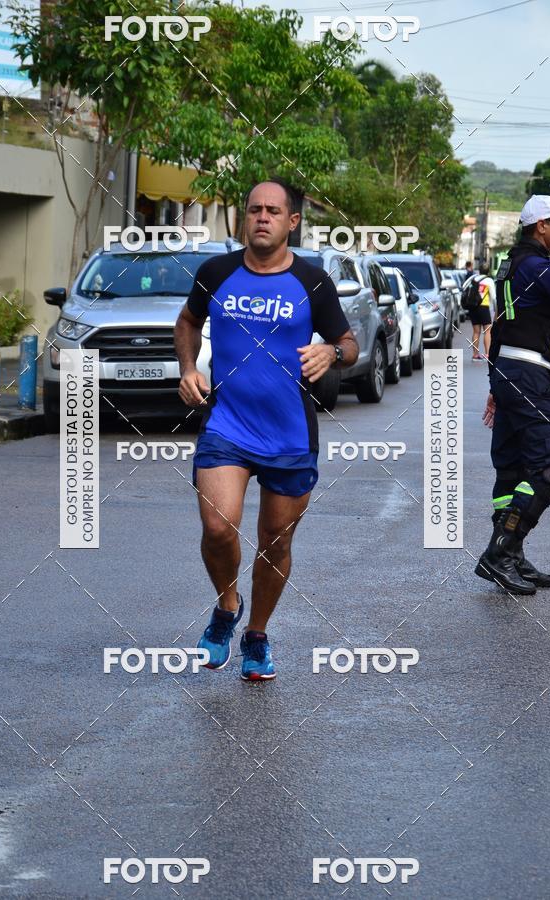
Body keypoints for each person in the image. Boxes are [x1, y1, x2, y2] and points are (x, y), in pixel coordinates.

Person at [174, 178, 359, 680]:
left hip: (289, 434)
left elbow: (349, 343)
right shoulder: (216, 271)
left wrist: (331, 352)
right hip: (227, 424)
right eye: (254, 209)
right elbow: (187, 321)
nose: (261, 217)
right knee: (217, 526)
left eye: (273, 211)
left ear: (291, 222)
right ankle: (226, 606)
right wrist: (189, 368)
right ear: (244, 218)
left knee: (275, 541)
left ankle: (256, 635)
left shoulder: (312, 280)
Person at [475, 195, 550, 594]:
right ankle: (500, 552)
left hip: (512, 373)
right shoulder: (538, 267)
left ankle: (511, 557)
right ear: (540, 226)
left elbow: (501, 326)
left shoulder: (512, 266)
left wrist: (497, 383)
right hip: (531, 375)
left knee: (512, 470)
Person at [463, 263, 496, 360]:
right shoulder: (489, 280)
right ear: (488, 271)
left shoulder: (474, 279)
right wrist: (495, 310)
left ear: (479, 270)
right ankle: (487, 354)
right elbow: (494, 297)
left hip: (473, 307)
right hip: (484, 307)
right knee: (487, 331)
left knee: (476, 332)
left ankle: (475, 354)